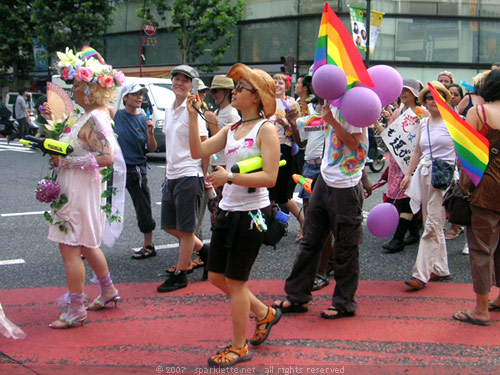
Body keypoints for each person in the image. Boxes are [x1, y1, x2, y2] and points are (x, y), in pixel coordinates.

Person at [187, 64, 281, 367]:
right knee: (216, 276)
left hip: (253, 214)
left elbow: (270, 177)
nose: (235, 91)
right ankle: (265, 313)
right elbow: (197, 150)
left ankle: (239, 347)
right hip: (228, 210)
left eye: (240, 88)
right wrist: (192, 116)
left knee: (237, 282)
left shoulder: (265, 129)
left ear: (255, 97)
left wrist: (229, 178)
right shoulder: (232, 130)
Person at [45, 47, 126, 328]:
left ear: (91, 91)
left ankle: (77, 307)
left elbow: (107, 158)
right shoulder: (90, 116)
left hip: (79, 190)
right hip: (80, 189)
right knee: (87, 245)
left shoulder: (94, 119)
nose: (74, 89)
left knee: (70, 248)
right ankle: (107, 290)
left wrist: (67, 162)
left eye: (79, 85)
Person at [274, 96, 368, 320]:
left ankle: (344, 303)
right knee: (310, 241)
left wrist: (331, 121)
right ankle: (297, 295)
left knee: (346, 246)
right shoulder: (331, 106)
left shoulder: (356, 107)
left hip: (346, 185)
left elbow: (354, 143)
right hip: (324, 180)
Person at [453, 69, 500, 326]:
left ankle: (481, 309)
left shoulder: (479, 113)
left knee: (482, 248)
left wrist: (465, 187)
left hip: (487, 188)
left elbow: (467, 156)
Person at [157, 65, 210, 293]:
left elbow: (205, 146)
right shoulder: (170, 109)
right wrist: (167, 172)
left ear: (192, 85)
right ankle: (207, 252)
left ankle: (181, 274)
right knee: (169, 225)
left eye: (185, 80)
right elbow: (170, 145)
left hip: (190, 173)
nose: (179, 83)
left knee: (186, 229)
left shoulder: (194, 110)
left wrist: (205, 175)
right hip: (172, 175)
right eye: (176, 79)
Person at [400, 81, 455, 290]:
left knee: (432, 224)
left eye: (438, 96)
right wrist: (408, 173)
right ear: (424, 101)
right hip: (423, 174)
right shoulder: (423, 122)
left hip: (444, 177)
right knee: (433, 221)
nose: (433, 101)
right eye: (430, 97)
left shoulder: (454, 122)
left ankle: (420, 274)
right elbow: (417, 151)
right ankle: (441, 268)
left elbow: (464, 153)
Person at [377, 78, 428, 253]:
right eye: (402, 90)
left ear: (416, 94)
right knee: (402, 195)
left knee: (407, 197)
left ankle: (398, 239)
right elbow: (389, 136)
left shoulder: (422, 112)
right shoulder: (398, 112)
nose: (404, 93)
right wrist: (376, 123)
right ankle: (413, 232)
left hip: (414, 161)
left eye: (408, 90)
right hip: (397, 161)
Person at [114, 84, 157, 259]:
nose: (139, 97)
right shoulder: (115, 114)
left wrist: (150, 132)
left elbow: (152, 148)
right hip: (115, 169)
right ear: (125, 98)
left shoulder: (144, 120)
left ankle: (149, 244)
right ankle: (89, 245)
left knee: (143, 207)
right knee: (103, 205)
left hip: (136, 170)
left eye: (141, 94)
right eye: (135, 94)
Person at [269, 73, 304, 242]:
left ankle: (303, 222)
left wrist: (286, 124)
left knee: (281, 194)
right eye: (274, 82)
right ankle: (276, 226)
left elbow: (298, 133)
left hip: (284, 147)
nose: (277, 85)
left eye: (280, 83)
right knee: (269, 192)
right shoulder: (266, 101)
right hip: (267, 148)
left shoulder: (291, 104)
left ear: (286, 86)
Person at [204, 75, 241, 227]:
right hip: (216, 162)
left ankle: (219, 240)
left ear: (227, 91)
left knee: (218, 205)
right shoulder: (220, 111)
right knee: (214, 203)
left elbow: (229, 141)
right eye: (212, 92)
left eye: (217, 91)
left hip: (224, 165)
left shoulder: (232, 113)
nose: (214, 95)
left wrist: (212, 123)